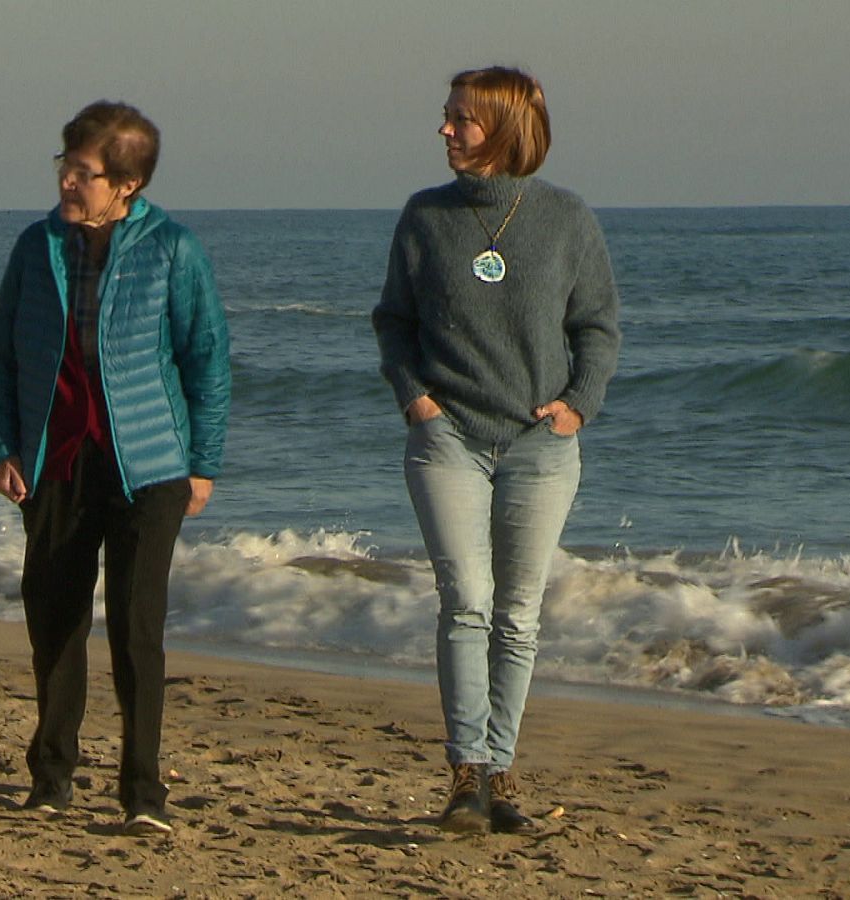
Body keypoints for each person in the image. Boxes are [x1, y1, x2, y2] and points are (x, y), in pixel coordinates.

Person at [372, 67, 620, 835]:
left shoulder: (566, 217)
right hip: (447, 437)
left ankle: (502, 774)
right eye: (445, 118)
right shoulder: (423, 217)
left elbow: (598, 327)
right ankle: (465, 774)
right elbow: (394, 321)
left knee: (517, 615)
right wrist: (415, 397)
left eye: (461, 121)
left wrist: (578, 406)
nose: (445, 131)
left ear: (506, 129)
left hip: (539, 444)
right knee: (466, 600)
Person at [0, 101, 230, 837]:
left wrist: (203, 465)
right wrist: (4, 447)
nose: (67, 181)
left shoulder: (172, 249)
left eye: (84, 171)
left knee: (134, 626)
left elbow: (206, 357)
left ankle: (142, 792)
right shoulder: (37, 247)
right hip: (55, 462)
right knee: (52, 620)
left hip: (148, 468)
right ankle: (51, 775)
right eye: (65, 164)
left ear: (127, 183)